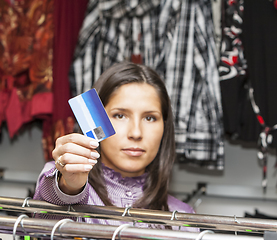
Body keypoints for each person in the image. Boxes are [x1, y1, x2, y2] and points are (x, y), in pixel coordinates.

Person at [33, 62, 196, 229]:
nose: (136, 133)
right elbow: (44, 230)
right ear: (96, 119)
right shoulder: (57, 178)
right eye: (120, 115)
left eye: (149, 118)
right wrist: (69, 188)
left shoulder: (184, 217)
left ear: (164, 126)